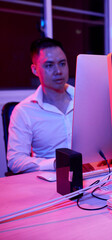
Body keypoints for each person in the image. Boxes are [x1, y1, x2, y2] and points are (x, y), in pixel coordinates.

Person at [7, 38, 74, 173]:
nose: (58, 71)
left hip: (93, 175)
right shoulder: (24, 111)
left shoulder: (84, 99)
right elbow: (15, 160)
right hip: (48, 178)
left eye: (62, 63)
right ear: (35, 70)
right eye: (49, 65)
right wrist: (55, 164)